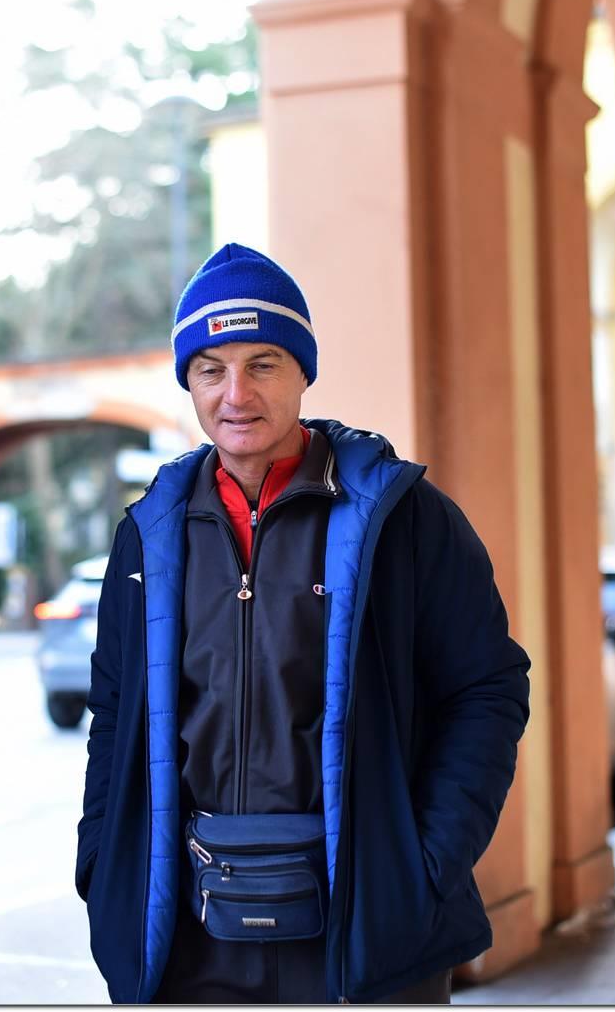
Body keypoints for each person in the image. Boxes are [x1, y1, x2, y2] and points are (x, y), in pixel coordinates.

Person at [75, 243, 532, 1004]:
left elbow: (486, 689)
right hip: (188, 937)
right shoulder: (148, 535)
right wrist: (103, 863)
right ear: (189, 382)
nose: (236, 394)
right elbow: (114, 710)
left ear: (303, 372)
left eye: (263, 364)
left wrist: (426, 864)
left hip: (363, 925)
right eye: (211, 369)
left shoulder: (403, 519)